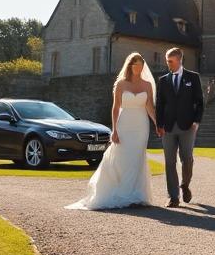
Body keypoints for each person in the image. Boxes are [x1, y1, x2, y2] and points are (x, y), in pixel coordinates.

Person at [67, 53, 157, 211]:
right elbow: (116, 108)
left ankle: (136, 194)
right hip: (124, 123)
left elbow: (149, 106)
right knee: (122, 157)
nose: (138, 68)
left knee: (137, 157)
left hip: (141, 125)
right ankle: (121, 192)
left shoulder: (147, 85)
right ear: (130, 66)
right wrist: (114, 130)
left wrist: (157, 123)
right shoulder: (121, 84)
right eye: (135, 65)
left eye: (140, 65)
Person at [155, 47, 203, 208]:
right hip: (167, 127)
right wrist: (159, 125)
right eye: (167, 61)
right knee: (169, 162)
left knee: (187, 159)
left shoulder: (193, 78)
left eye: (170, 61)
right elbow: (159, 105)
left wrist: (196, 121)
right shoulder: (163, 80)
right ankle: (173, 197)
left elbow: (200, 102)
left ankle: (185, 185)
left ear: (179, 60)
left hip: (188, 126)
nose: (168, 63)